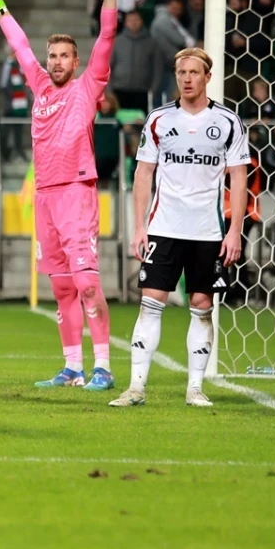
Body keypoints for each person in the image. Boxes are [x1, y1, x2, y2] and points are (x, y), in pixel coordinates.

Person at [0, 0, 123, 391]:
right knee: (62, 290)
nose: (56, 62)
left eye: (65, 56)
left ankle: (103, 366)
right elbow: (20, 44)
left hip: (76, 194)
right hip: (45, 196)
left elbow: (106, 38)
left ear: (77, 62)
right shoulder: (40, 86)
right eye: (53, 56)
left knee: (86, 284)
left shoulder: (88, 88)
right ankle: (72, 368)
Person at [111, 49, 248, 408]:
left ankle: (195, 388)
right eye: (181, 72)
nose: (187, 78)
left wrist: (234, 231)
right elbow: (143, 173)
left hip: (208, 231)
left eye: (194, 72)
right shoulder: (158, 120)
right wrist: (139, 227)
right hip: (164, 227)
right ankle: (136, 387)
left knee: (202, 305)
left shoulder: (229, 122)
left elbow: (238, 176)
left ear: (207, 77)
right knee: (150, 302)